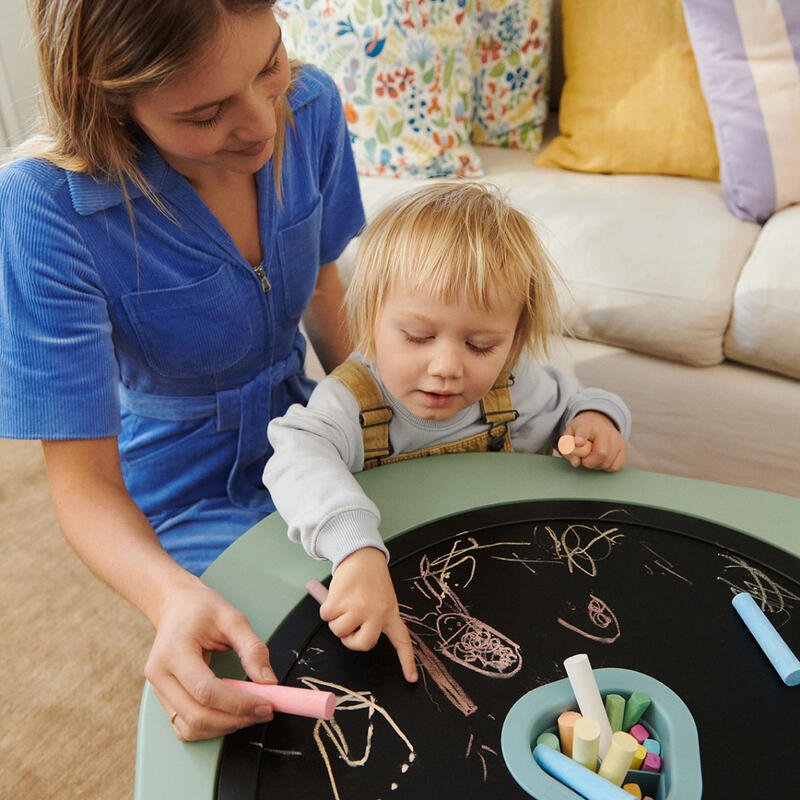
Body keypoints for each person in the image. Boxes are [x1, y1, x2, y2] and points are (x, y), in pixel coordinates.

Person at [0, 0, 364, 740]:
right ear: (109, 99)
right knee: (294, 671)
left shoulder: (313, 105)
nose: (264, 125)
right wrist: (169, 599)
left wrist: (390, 418)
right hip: (183, 488)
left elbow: (325, 288)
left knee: (406, 582)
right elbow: (84, 485)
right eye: (204, 115)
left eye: (268, 66)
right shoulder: (42, 207)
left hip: (309, 428)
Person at [264, 182, 632, 682]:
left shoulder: (515, 385)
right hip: (381, 587)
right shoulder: (352, 401)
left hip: (492, 580)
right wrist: (354, 548)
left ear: (516, 342)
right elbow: (295, 454)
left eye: (481, 345)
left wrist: (597, 423)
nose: (446, 367)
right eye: (418, 337)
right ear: (370, 319)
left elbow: (580, 402)